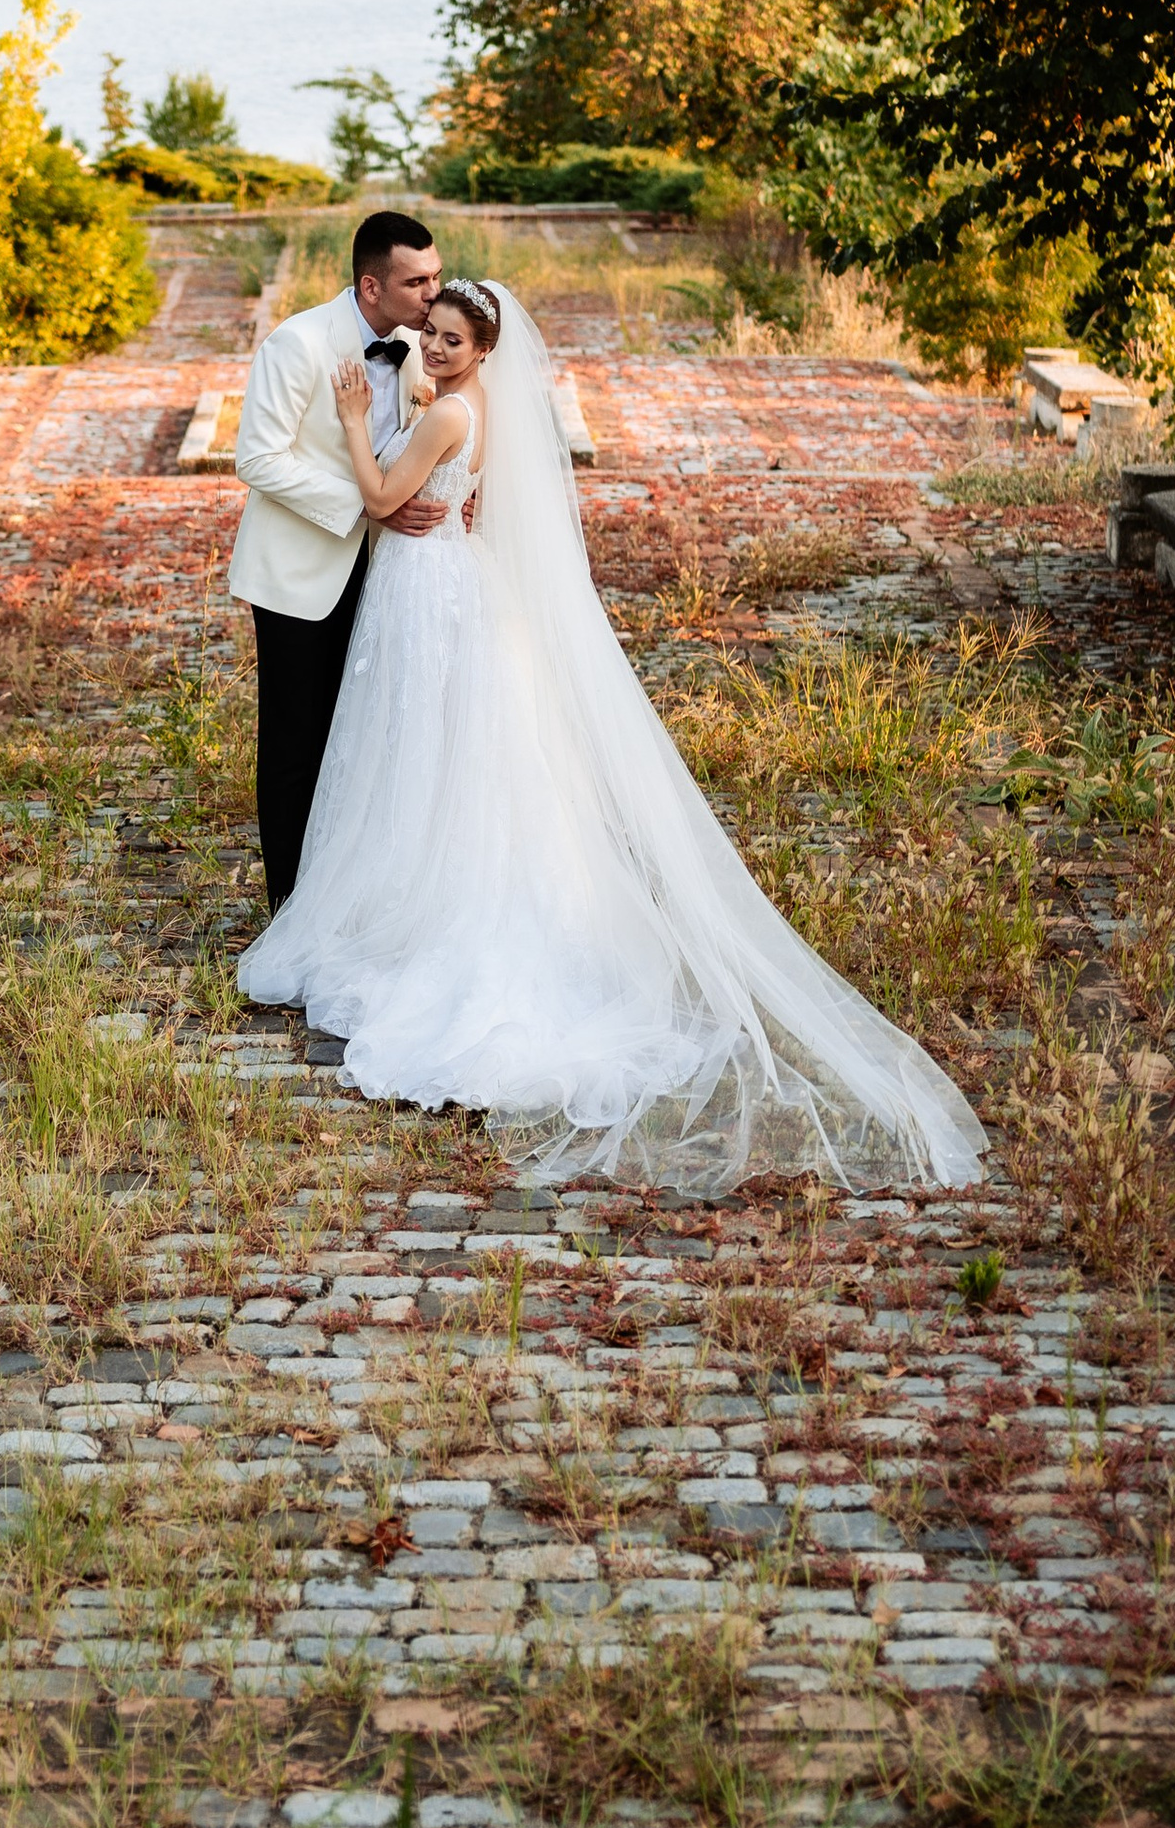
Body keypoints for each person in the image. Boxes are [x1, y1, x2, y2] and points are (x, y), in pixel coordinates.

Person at [238, 279, 986, 1192]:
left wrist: (358, 420)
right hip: (447, 582)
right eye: (428, 332)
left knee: (415, 750)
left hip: (423, 586)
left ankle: (414, 908)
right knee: (438, 756)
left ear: (482, 350)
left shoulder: (442, 417)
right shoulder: (473, 409)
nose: (430, 348)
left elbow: (380, 490)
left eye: (447, 338)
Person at [229, 208, 451, 917]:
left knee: (366, 731)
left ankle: (346, 891)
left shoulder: (416, 351)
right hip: (299, 571)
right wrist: (371, 506)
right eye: (417, 282)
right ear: (371, 285)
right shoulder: (296, 345)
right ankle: (288, 906)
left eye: (437, 277)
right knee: (297, 739)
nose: (432, 294)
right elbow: (257, 458)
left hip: (388, 571)